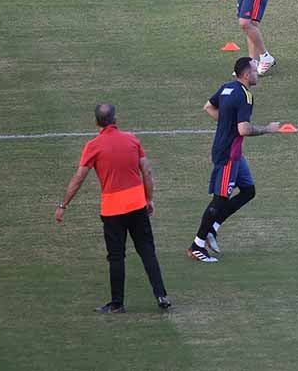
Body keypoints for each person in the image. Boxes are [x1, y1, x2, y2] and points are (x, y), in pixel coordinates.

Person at [55, 103, 170, 312]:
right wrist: (149, 198)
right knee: (147, 251)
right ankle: (161, 295)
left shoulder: (93, 146)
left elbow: (79, 177)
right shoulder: (132, 140)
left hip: (112, 210)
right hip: (137, 205)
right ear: (116, 119)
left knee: (116, 256)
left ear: (96, 122)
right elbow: (147, 171)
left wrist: (63, 205)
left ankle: (117, 304)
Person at [188, 57, 281, 262]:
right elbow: (244, 129)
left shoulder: (227, 87)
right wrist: (268, 129)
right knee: (220, 199)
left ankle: (213, 227)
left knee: (248, 191)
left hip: (233, 152)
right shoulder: (245, 96)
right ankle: (197, 244)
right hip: (228, 154)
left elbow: (208, 107)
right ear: (247, 75)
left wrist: (226, 123)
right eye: (255, 71)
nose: (257, 74)